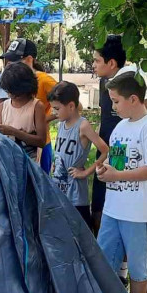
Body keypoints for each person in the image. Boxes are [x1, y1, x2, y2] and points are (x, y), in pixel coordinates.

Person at [92, 36, 147, 236]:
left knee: (144, 245)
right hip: (115, 180)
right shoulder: (108, 91)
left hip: (140, 193)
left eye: (97, 60)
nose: (115, 106)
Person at [95, 71, 147, 293]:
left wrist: (117, 175)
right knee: (105, 260)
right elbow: (117, 162)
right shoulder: (121, 127)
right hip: (113, 209)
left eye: (116, 101)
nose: (113, 107)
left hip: (138, 214)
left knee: (138, 268)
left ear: (133, 99)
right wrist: (105, 170)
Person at [47, 81, 109, 226]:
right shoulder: (61, 123)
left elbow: (105, 150)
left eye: (57, 108)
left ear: (71, 106)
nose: (54, 113)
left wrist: (86, 172)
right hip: (59, 188)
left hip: (76, 194)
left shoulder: (83, 125)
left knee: (80, 233)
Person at [0, 38, 56, 173]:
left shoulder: (44, 80)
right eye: (9, 60)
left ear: (29, 59)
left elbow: (69, 102)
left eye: (15, 60)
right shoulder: (10, 82)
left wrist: (43, 119)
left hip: (36, 152)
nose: (11, 64)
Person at [0, 62, 46, 161]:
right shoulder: (3, 106)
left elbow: (41, 141)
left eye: (14, 92)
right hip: (7, 162)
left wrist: (14, 132)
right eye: (8, 91)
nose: (10, 95)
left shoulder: (36, 107)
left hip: (29, 164)